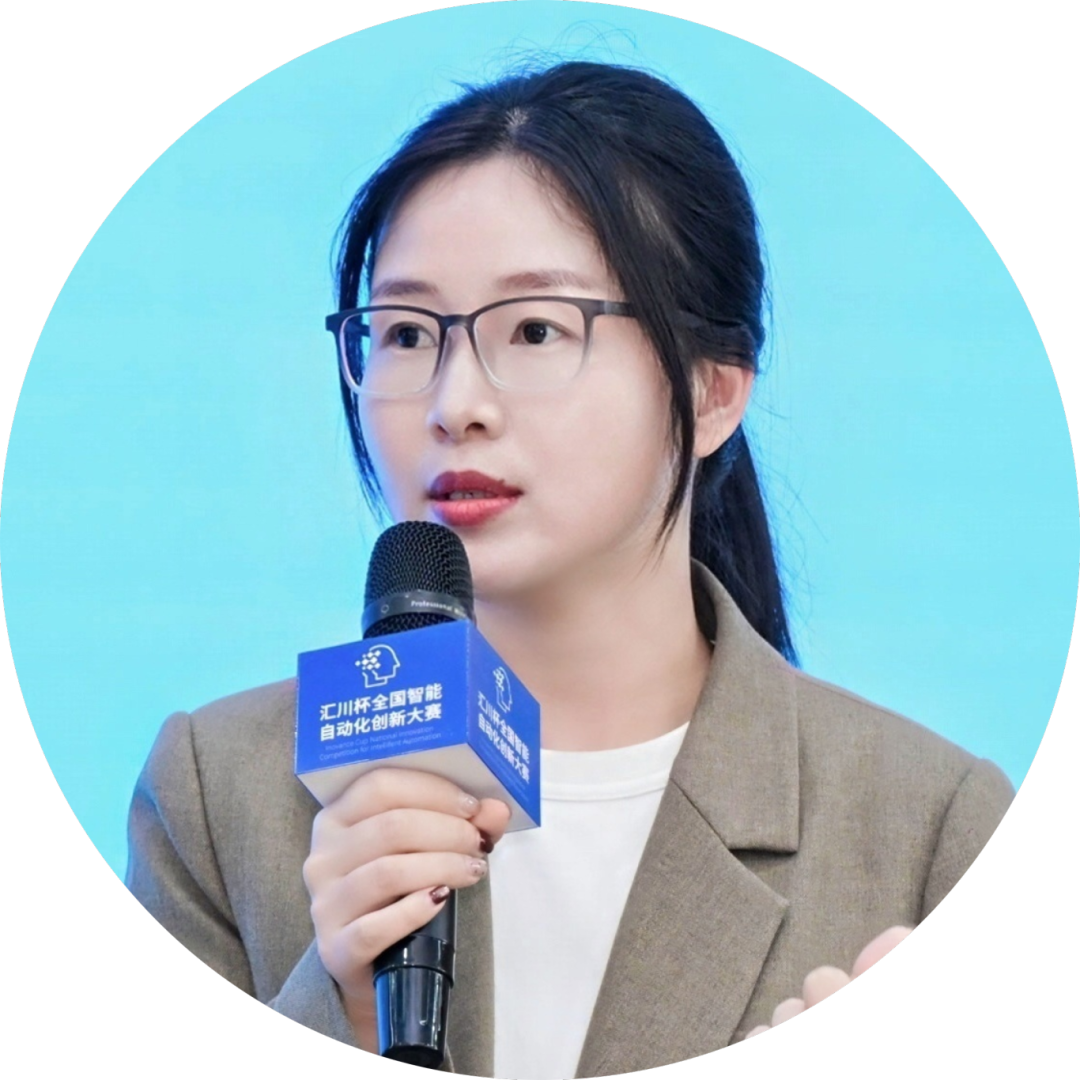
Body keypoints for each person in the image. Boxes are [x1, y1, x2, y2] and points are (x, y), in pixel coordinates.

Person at [127, 61, 1014, 1075]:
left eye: (537, 329)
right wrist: (346, 1011)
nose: (455, 404)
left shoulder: (929, 828)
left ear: (713, 391)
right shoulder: (217, 795)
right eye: (407, 333)